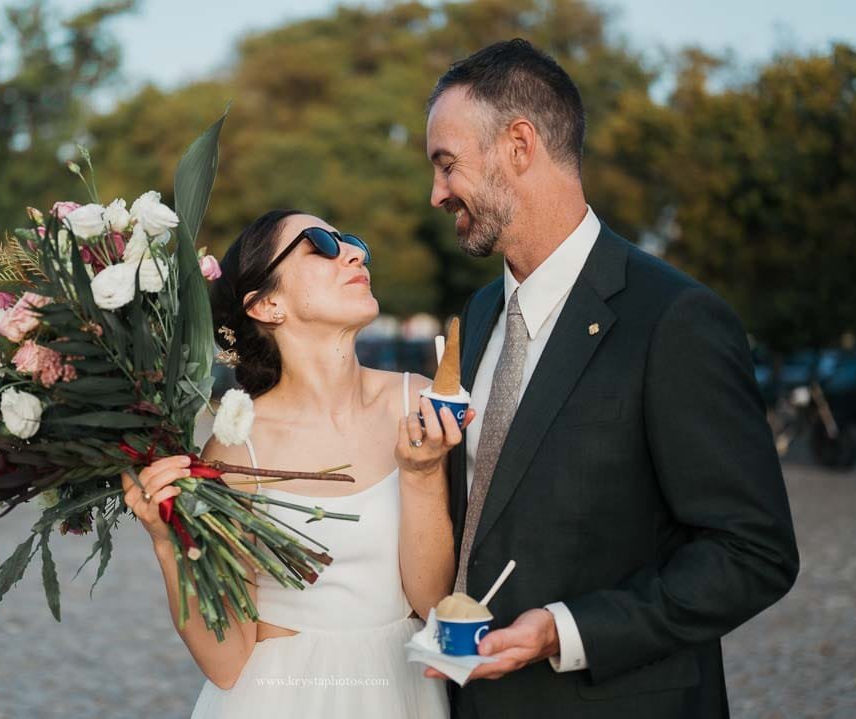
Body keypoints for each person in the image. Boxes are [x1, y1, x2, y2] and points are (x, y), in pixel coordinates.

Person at [423, 39, 799, 718]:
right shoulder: (477, 316)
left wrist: (567, 630)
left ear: (518, 144)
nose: (436, 192)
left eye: (446, 165)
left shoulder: (675, 318)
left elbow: (754, 552)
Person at [122, 210, 473, 718]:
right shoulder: (236, 450)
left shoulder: (418, 401)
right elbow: (226, 661)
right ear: (267, 304)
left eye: (350, 241)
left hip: (403, 690)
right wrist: (165, 542)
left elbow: (432, 602)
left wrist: (419, 475)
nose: (354, 253)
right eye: (319, 246)